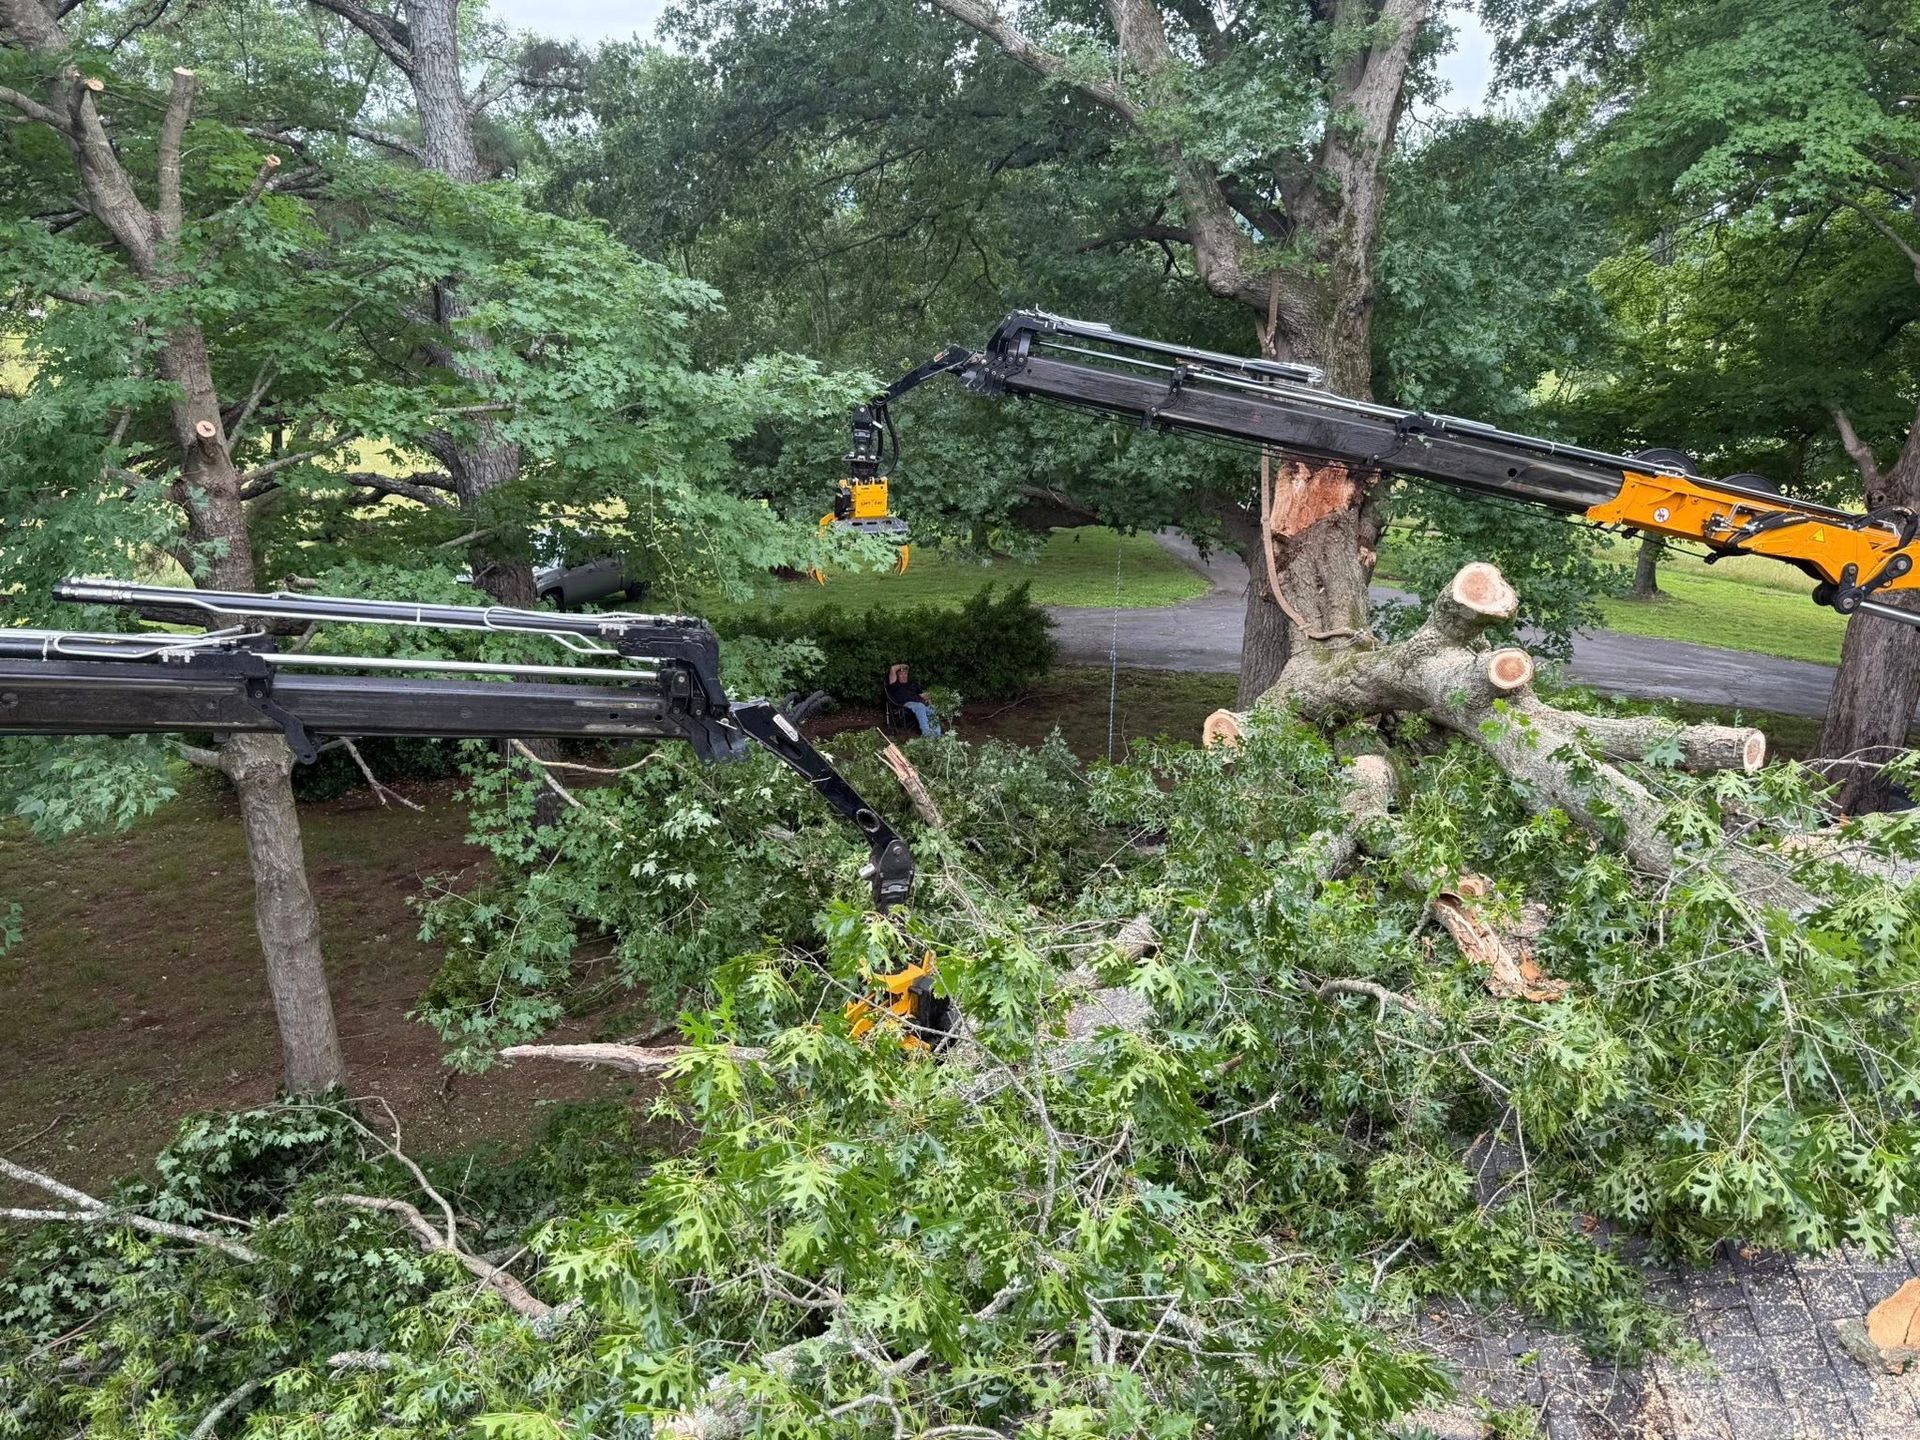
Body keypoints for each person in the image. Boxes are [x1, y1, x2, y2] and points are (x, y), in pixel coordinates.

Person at [886, 662, 942, 737]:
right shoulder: (895, 684)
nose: (904, 676)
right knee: (920, 706)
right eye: (901, 674)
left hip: (919, 703)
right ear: (897, 676)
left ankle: (937, 735)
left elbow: (924, 695)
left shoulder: (912, 684)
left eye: (905, 674)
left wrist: (930, 697)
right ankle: (926, 734)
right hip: (905, 705)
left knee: (932, 708)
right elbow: (892, 668)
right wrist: (903, 666)